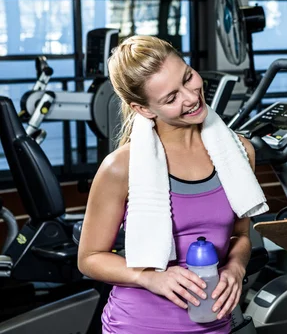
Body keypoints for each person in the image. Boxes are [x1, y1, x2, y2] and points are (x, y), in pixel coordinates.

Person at [77, 36, 256, 334]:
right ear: (144, 109)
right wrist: (149, 277)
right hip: (138, 325)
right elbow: (89, 258)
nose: (190, 97)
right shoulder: (121, 166)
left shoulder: (239, 152)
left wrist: (236, 267)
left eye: (188, 77)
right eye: (171, 98)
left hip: (214, 323)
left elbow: (240, 235)